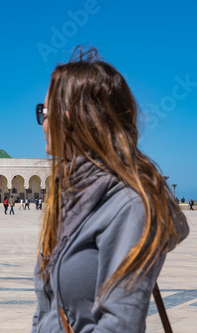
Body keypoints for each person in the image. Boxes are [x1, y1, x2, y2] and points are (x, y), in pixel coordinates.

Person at [32, 46, 189, 333]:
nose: (42, 122)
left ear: (72, 117)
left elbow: (120, 325)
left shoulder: (130, 206)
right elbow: (47, 311)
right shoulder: (69, 197)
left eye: (44, 111)